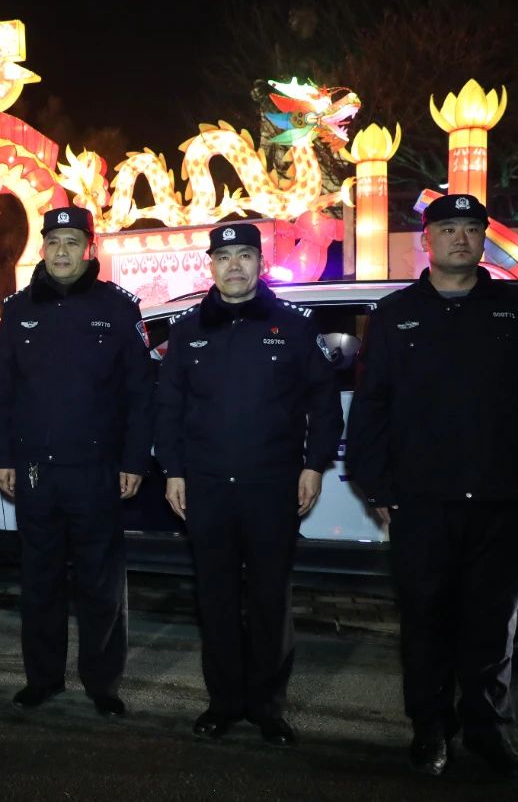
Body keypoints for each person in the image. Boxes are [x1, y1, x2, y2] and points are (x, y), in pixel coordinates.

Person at [347, 194, 518, 783]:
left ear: (481, 239)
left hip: (505, 502)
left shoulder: (517, 310)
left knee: (492, 624)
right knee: (425, 621)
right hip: (422, 503)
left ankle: (487, 730)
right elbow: (371, 407)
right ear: (426, 240)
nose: (460, 237)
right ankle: (430, 728)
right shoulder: (395, 314)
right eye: (447, 228)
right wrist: (377, 487)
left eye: (471, 228)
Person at [154, 222, 342, 746]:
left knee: (269, 599)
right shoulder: (188, 329)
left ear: (261, 263)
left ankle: (267, 706)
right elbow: (168, 407)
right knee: (214, 597)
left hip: (272, 484)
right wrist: (173, 470)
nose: (234, 265)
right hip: (207, 485)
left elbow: (324, 402)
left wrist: (314, 465)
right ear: (211, 265)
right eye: (224, 257)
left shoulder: (294, 326)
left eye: (244, 255)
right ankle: (224, 702)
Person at [0, 206, 153, 718]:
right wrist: (3, 455)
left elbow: (140, 393)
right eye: (53, 242)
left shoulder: (117, 307)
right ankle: (43, 679)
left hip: (98, 470)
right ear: (43, 248)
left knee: (101, 584)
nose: (61, 252)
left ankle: (103, 684)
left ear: (89, 250)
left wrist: (134, 461)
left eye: (72, 242)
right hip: (36, 470)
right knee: (40, 581)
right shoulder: (18, 309)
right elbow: (3, 390)